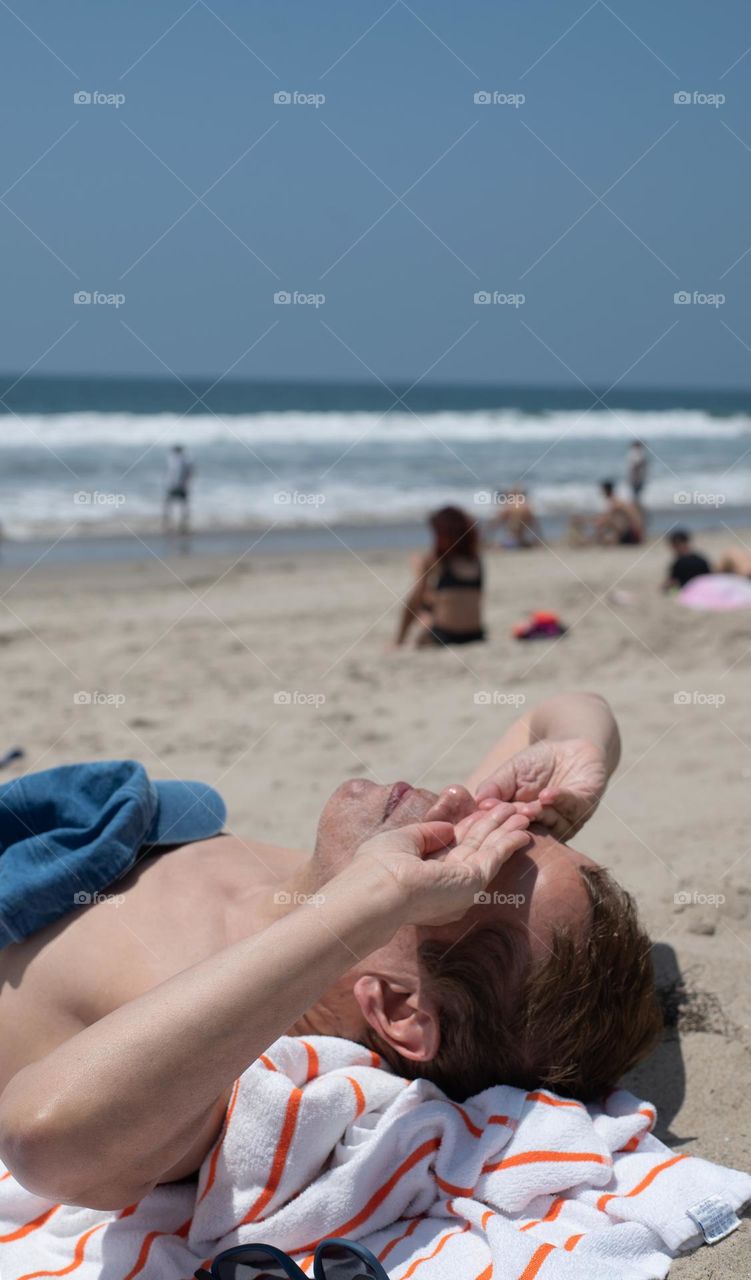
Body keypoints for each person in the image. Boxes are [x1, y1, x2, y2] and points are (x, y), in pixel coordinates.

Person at [0, 693, 661, 1211]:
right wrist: (578, 758)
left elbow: (41, 1134)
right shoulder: (376, 875)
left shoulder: (214, 1065)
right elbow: (563, 709)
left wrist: (373, 899)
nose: (458, 799)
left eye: (471, 863)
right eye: (501, 829)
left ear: (400, 1007)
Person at [395, 506, 485, 647]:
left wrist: (419, 571)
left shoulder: (438, 560)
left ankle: (399, 641)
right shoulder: (476, 560)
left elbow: (414, 601)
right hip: (476, 634)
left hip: (445, 635)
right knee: (434, 597)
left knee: (423, 608)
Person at [569, 480, 644, 547]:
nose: (601, 493)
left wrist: (584, 521)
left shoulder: (615, 503)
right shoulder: (618, 501)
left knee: (607, 522)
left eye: (602, 490)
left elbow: (603, 520)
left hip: (633, 535)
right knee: (609, 522)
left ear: (606, 490)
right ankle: (594, 540)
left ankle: (590, 541)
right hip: (636, 533)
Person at [162, 444, 193, 534]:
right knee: (183, 506)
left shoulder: (173, 460)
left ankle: (168, 525)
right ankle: (182, 525)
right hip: (180, 486)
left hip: (174, 486)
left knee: (169, 505)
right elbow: (190, 473)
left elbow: (170, 474)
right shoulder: (185, 460)